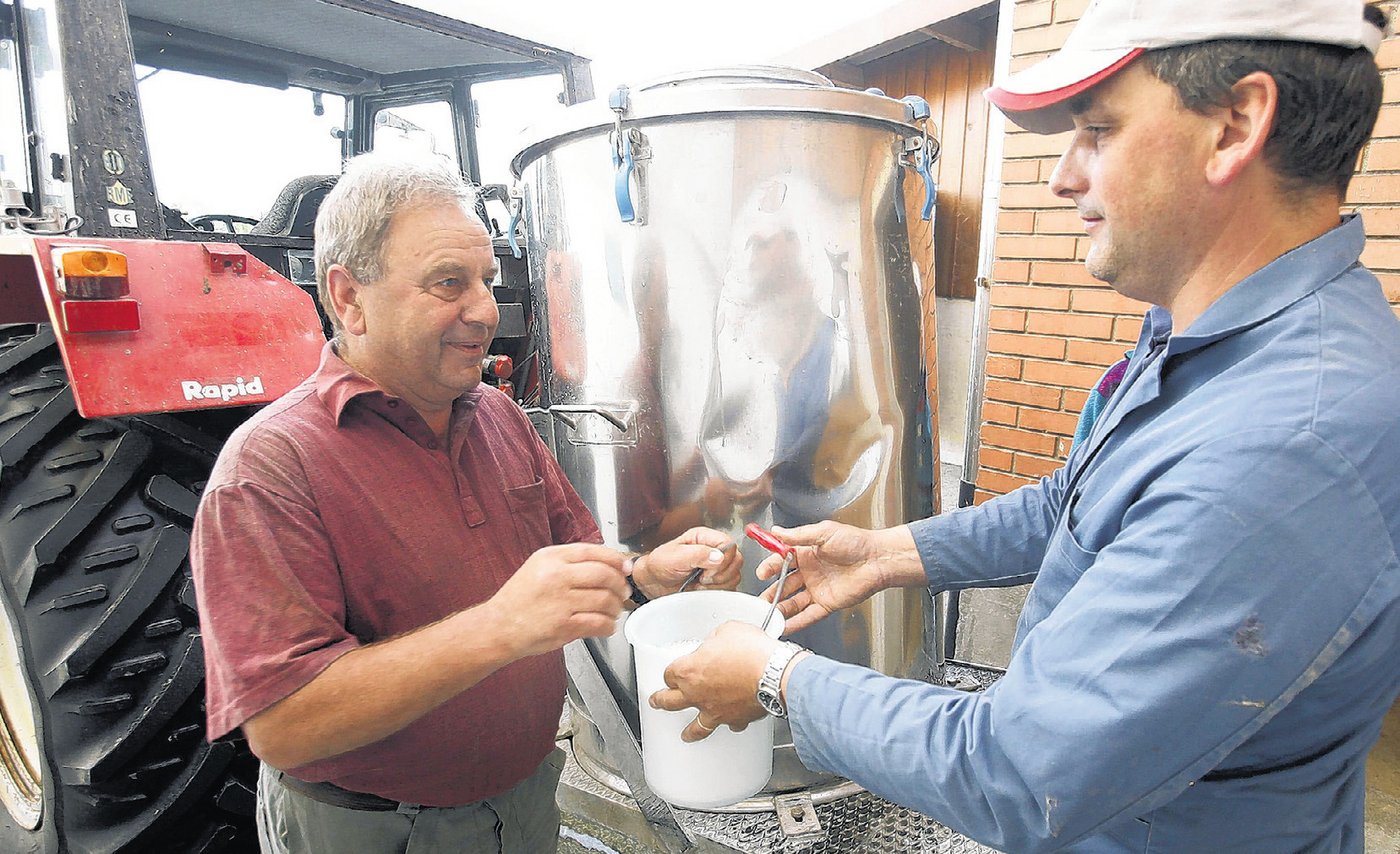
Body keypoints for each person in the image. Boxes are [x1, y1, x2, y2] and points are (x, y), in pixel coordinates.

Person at [651, 1, 1400, 850]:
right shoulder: (1213, 340)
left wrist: (774, 677)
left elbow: (1021, 772)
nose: (1063, 178)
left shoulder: (1286, 442)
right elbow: (1072, 508)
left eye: (1100, 131)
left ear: (1234, 127)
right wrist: (890, 553)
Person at [189, 152, 741, 854]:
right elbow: (282, 723)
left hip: (526, 802)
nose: (484, 308)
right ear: (349, 296)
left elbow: (576, 567)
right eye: (448, 283)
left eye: (487, 279)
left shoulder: (498, 418)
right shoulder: (270, 467)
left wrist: (646, 577)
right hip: (374, 831)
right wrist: (502, 627)